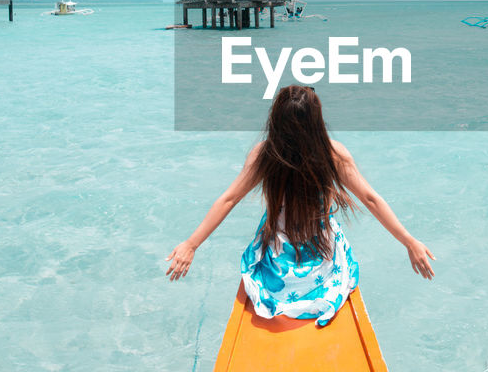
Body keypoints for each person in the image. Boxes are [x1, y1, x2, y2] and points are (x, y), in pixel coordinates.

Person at [166, 85, 434, 326]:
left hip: (279, 266)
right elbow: (371, 199)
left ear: (275, 122)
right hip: (322, 263)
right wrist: (409, 241)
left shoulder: (264, 154)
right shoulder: (333, 154)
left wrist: (191, 244)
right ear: (317, 123)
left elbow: (229, 199)